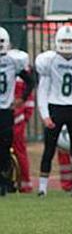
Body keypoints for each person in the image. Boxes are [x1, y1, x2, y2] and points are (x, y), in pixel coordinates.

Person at [35, 25, 72, 197]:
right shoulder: (49, 60)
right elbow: (43, 90)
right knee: (49, 149)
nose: (67, 44)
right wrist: (45, 115)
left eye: (70, 40)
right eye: (64, 40)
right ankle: (42, 188)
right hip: (55, 106)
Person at [0, 29, 34, 196]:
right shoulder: (14, 61)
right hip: (6, 111)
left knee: (5, 149)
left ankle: (6, 184)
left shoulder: (13, 61)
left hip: (6, 110)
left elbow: (30, 81)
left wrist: (22, 98)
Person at [12, 76, 36, 193]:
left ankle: (24, 183)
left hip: (15, 118)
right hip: (15, 116)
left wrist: (24, 116)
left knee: (19, 151)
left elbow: (28, 98)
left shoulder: (18, 71)